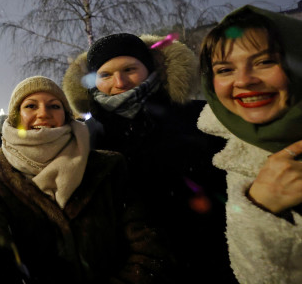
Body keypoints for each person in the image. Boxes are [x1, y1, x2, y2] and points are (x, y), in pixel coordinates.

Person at [0, 76, 169, 283]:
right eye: (30, 106)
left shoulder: (108, 168)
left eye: (54, 106)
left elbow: (149, 247)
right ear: (17, 117)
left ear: (66, 115)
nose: (43, 113)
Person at [62, 33, 233, 282]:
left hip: (208, 264)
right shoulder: (84, 137)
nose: (119, 82)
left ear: (150, 68)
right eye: (105, 75)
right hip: (132, 273)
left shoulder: (200, 118)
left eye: (130, 69)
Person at [197, 5, 302, 283]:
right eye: (225, 69)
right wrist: (260, 207)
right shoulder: (232, 154)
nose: (244, 80)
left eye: (265, 62)